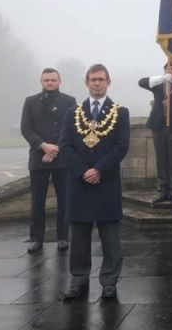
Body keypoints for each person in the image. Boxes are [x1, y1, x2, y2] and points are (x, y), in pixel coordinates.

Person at [60, 64, 130, 300]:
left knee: (110, 237)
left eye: (101, 79)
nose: (97, 83)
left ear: (108, 82)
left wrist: (99, 169)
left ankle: (109, 281)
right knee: (78, 237)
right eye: (93, 79)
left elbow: (121, 146)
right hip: (79, 183)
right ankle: (78, 280)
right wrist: (83, 171)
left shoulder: (120, 112)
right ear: (86, 83)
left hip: (106, 181)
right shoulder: (72, 113)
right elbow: (66, 146)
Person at [20, 68, 77, 253]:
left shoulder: (70, 101)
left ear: (60, 81)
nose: (50, 83)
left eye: (53, 80)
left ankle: (62, 237)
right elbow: (26, 128)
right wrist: (43, 146)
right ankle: (36, 238)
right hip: (38, 158)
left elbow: (71, 129)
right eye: (47, 80)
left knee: (64, 200)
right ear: (41, 81)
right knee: (37, 201)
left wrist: (54, 150)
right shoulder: (30, 101)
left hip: (62, 159)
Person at [138, 62, 172, 204]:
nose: (170, 71)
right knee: (161, 160)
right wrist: (162, 78)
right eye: (167, 68)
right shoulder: (158, 84)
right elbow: (141, 82)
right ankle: (162, 191)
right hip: (158, 127)